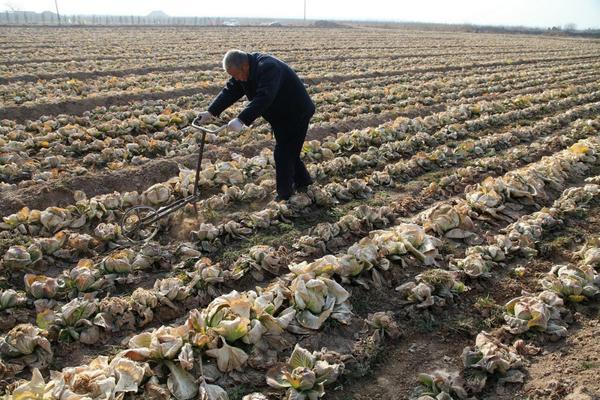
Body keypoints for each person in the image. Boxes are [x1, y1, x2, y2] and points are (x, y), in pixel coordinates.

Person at [194, 49, 315, 201]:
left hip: (296, 112)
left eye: (236, 75)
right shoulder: (244, 72)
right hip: (280, 115)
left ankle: (284, 195)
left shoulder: (268, 67)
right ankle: (304, 182)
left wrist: (241, 119)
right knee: (290, 151)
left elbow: (265, 97)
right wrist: (211, 112)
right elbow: (230, 91)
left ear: (244, 66)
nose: (236, 79)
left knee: (283, 153)